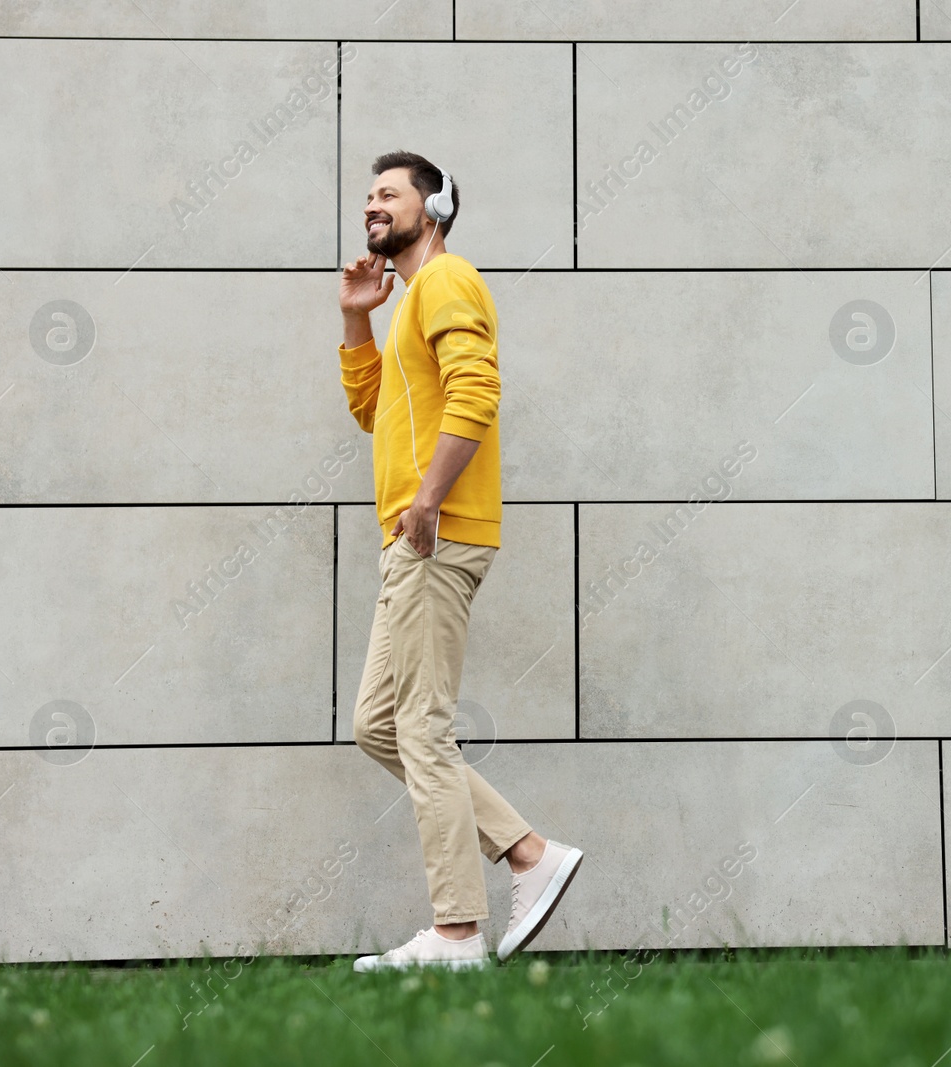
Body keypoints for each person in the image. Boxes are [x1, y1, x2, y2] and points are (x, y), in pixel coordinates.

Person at [336, 150, 582, 971]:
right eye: (368, 194)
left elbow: (478, 390)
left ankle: (455, 933)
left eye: (390, 194)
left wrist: (430, 500)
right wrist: (356, 318)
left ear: (433, 206)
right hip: (413, 537)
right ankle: (526, 852)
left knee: (421, 729)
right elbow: (373, 412)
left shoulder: (448, 280)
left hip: (433, 535)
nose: (373, 205)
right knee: (381, 725)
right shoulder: (407, 301)